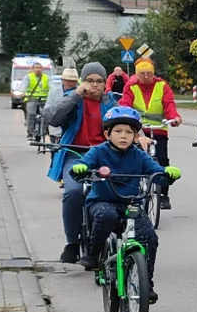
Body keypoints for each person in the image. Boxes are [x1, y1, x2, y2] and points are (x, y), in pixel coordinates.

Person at [70, 107, 181, 303]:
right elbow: (83, 165)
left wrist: (167, 173)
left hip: (130, 203)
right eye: (118, 131)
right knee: (106, 216)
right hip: (102, 201)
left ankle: (147, 283)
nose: (124, 136)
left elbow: (156, 173)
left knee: (149, 237)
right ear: (107, 134)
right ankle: (93, 255)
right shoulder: (98, 151)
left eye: (129, 132)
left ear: (136, 136)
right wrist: (81, 168)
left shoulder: (139, 155)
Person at [45, 63, 150, 264]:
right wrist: (76, 94)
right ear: (82, 82)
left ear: (105, 83)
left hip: (105, 155)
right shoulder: (73, 99)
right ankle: (72, 244)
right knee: (73, 192)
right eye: (90, 80)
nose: (94, 85)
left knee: (121, 190)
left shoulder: (112, 103)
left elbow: (129, 121)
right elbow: (53, 118)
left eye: (99, 81)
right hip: (76, 154)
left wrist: (142, 136)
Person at [119, 57, 183, 210]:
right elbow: (125, 104)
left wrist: (174, 117)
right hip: (137, 129)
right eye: (142, 73)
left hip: (158, 129)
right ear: (137, 74)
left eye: (149, 73)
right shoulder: (131, 86)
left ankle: (163, 195)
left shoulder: (162, 85)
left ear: (153, 73)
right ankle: (129, 190)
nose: (146, 76)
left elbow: (168, 103)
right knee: (131, 158)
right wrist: (125, 118)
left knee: (162, 160)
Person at [20, 62, 50, 141]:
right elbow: (23, 86)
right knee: (31, 115)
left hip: (44, 100)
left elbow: (52, 87)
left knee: (47, 114)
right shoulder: (28, 77)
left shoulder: (46, 77)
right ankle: (30, 133)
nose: (38, 69)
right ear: (33, 69)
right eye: (36, 68)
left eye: (39, 68)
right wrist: (22, 92)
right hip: (32, 99)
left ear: (42, 69)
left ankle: (44, 130)